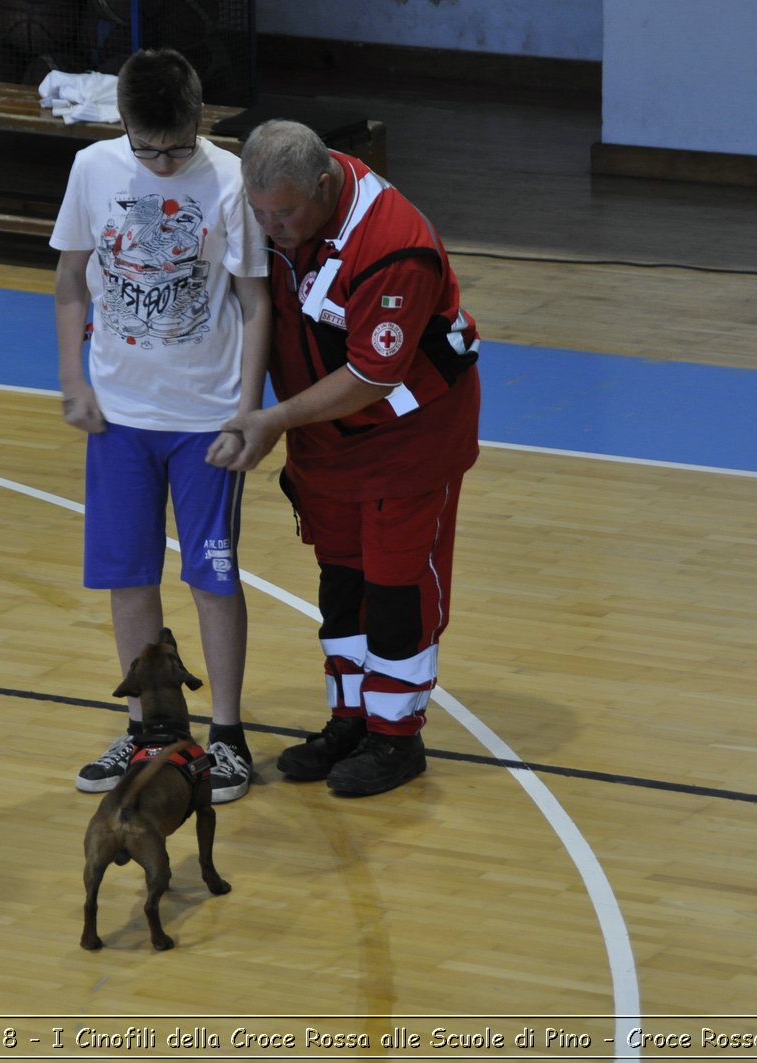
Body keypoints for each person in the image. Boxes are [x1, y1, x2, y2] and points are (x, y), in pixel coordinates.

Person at [207, 119, 481, 797]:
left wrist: (269, 418)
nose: (271, 227)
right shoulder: (274, 214)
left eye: (286, 212)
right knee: (342, 583)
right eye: (261, 212)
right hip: (325, 441)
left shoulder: (395, 245)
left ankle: (397, 737)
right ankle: (350, 720)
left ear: (325, 185)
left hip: (405, 445)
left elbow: (371, 378)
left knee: (395, 587)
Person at [52, 49, 270, 803]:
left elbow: (254, 300)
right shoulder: (93, 171)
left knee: (212, 576)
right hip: (120, 417)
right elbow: (70, 279)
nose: (165, 162)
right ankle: (150, 730)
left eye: (178, 146)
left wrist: (248, 409)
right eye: (149, 149)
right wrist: (74, 380)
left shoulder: (231, 178)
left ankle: (229, 736)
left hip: (204, 419)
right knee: (127, 576)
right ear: (125, 128)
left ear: (199, 120)